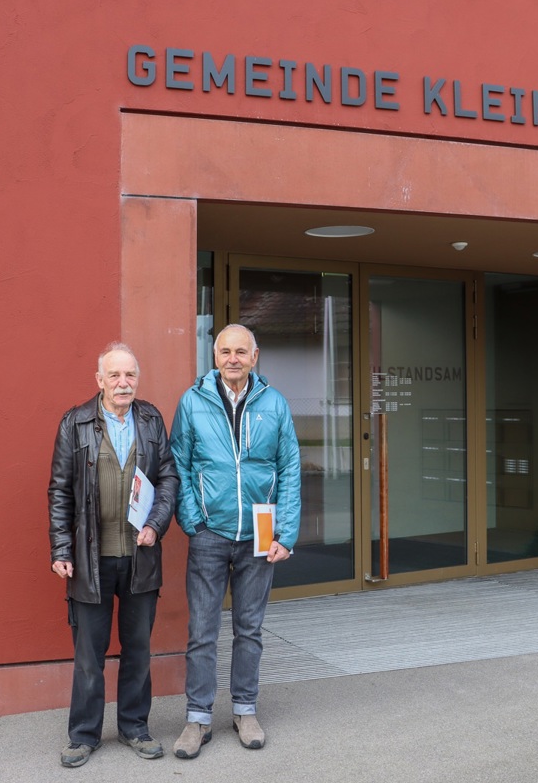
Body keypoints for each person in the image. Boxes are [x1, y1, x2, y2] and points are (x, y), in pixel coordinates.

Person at [170, 324, 301, 759]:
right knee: (202, 630)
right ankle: (198, 718)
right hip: (211, 533)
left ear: (255, 355)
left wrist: (286, 532)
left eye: (240, 351)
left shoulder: (274, 403)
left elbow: (289, 470)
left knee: (249, 629)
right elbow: (179, 464)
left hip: (258, 535)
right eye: (225, 351)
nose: (232, 358)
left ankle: (245, 710)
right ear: (214, 356)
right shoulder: (193, 402)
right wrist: (193, 521)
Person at [47, 342, 178, 768]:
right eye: (115, 376)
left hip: (141, 555)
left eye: (130, 376)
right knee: (89, 652)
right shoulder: (75, 422)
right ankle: (84, 735)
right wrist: (62, 549)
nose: (124, 383)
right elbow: (60, 491)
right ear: (99, 381)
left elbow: (169, 478)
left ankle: (135, 727)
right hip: (90, 558)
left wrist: (156, 524)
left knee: (138, 647)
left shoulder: (151, 419)